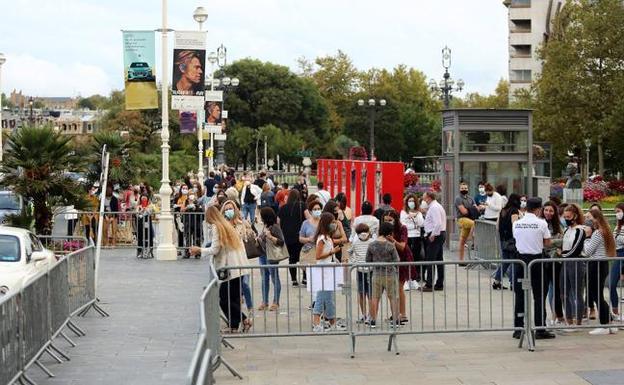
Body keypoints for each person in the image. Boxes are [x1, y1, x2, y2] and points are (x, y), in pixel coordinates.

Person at [189, 206, 251, 333]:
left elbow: (215, 249)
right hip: (237, 266)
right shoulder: (225, 224)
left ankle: (244, 320)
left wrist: (199, 250)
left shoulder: (216, 227)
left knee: (224, 298)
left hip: (229, 267)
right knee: (232, 298)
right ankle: (234, 325)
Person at [511, 197, 555, 340]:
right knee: (539, 295)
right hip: (536, 261)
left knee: (520, 295)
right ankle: (540, 328)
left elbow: (517, 239)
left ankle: (518, 328)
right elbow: (547, 243)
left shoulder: (517, 223)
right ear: (539, 209)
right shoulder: (541, 223)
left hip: (520, 261)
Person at [583, 208, 618, 335]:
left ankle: (604, 325)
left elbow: (587, 251)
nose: (587, 221)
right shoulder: (606, 230)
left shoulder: (598, 233)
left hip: (596, 264)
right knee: (598, 294)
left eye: (589, 218)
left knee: (597, 295)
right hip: (601, 264)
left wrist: (587, 237)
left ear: (596, 219)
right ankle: (609, 322)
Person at [221, 200, 255, 314]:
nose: (228, 211)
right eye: (226, 210)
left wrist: (249, 230)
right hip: (230, 261)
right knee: (233, 292)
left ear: (235, 210)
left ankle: (250, 307)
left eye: (230, 209)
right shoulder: (222, 226)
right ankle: (239, 317)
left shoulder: (241, 223)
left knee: (245, 284)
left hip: (241, 259)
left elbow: (248, 237)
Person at [311, 212, 342, 332]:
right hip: (323, 271)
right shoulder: (322, 239)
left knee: (329, 299)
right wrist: (332, 252)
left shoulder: (328, 238)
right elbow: (318, 256)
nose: (334, 224)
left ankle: (332, 322)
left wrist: (335, 258)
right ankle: (316, 323)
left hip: (329, 271)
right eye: (332, 222)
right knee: (321, 298)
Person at [366, 222, 401, 329]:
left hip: (376, 274)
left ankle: (373, 320)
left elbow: (368, 260)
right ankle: (395, 320)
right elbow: (397, 260)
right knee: (393, 297)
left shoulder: (371, 245)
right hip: (390, 274)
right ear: (389, 233)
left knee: (375, 298)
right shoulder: (390, 246)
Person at [383, 210, 413, 324]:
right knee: (393, 288)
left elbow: (402, 246)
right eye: (385, 220)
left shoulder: (402, 229)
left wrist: (392, 240)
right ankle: (395, 314)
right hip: (390, 260)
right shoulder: (384, 230)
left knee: (399, 287)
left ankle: (403, 314)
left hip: (402, 259)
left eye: (390, 220)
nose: (387, 222)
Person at [560, 204, 586, 327]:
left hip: (576, 263)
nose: (566, 219)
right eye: (564, 216)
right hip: (565, 263)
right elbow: (563, 247)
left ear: (575, 216)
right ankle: (569, 320)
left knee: (577, 292)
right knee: (563, 292)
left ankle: (578, 320)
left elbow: (576, 249)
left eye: (568, 216)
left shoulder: (580, 230)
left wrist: (563, 255)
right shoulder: (566, 230)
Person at [257, 207, 284, 311]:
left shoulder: (275, 227)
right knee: (264, 278)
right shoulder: (264, 226)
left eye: (261, 215)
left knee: (274, 278)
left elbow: (281, 242)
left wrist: (271, 237)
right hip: (262, 255)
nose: (260, 217)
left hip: (271, 255)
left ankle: (276, 302)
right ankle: (265, 301)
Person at [542, 201, 564, 325]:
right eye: (546, 210)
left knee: (556, 289)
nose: (548, 213)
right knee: (544, 290)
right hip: (542, 260)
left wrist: (550, 242)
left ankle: (558, 315)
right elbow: (541, 243)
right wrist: (550, 243)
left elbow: (562, 240)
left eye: (551, 211)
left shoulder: (558, 224)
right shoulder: (540, 223)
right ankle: (546, 316)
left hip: (555, 260)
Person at [493, 194, 521, 290]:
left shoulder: (503, 210)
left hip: (503, 240)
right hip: (512, 240)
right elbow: (515, 225)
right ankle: (513, 283)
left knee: (505, 261)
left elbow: (497, 226)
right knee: (514, 261)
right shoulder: (514, 210)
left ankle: (497, 281)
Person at [278, 190, 306, 286]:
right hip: (301, 236)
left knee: (292, 259)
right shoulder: (302, 205)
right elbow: (308, 218)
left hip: (288, 237)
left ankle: (294, 280)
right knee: (303, 257)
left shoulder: (283, 208)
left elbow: (278, 222)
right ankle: (305, 278)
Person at [348, 223, 375, 323]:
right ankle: (368, 315)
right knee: (369, 294)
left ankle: (365, 315)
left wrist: (353, 261)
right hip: (369, 269)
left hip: (361, 269)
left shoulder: (356, 242)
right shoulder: (372, 241)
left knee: (362, 293)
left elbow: (349, 251)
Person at [421, 191, 446, 291]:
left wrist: (433, 234)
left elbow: (438, 223)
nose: (423, 200)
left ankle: (429, 283)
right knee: (439, 259)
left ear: (428, 197)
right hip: (439, 234)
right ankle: (439, 283)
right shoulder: (435, 206)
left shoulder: (434, 207)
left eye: (424, 198)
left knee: (430, 259)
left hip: (435, 235)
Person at [400, 194, 424, 287]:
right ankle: (406, 277)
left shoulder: (419, 213)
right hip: (407, 237)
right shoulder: (403, 212)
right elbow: (403, 224)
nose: (411, 203)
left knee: (416, 256)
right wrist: (414, 225)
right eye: (409, 201)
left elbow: (422, 223)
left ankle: (415, 276)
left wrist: (414, 218)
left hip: (417, 237)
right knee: (407, 257)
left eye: (413, 201)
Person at [298, 200, 322, 282]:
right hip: (309, 253)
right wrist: (309, 239)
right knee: (311, 279)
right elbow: (300, 238)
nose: (317, 211)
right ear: (311, 211)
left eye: (319, 209)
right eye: (315, 209)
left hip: (321, 252)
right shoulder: (305, 223)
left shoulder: (323, 222)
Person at [454, 182, 478, 263]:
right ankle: (471, 240)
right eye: (462, 188)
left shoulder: (471, 198)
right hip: (462, 219)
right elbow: (463, 212)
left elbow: (476, 209)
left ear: (468, 189)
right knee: (475, 224)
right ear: (459, 189)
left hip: (470, 219)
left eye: (465, 188)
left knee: (462, 241)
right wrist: (472, 209)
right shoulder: (458, 198)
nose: (464, 190)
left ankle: (461, 261)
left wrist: (472, 209)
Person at [610, 203, 624, 319]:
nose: (617, 214)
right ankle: (615, 311)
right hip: (617, 254)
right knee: (612, 284)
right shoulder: (617, 226)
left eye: (618, 211)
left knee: (612, 283)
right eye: (615, 212)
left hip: (622, 255)